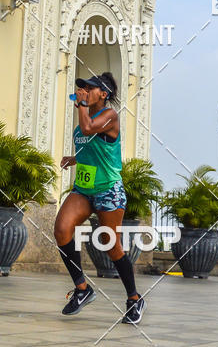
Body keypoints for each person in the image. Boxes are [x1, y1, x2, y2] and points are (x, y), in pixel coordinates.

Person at [53, 72, 146, 324]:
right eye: (81, 88)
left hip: (108, 189)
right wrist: (75, 158)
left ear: (102, 94)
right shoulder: (86, 116)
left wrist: (82, 105)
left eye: (89, 88)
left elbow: (88, 128)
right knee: (62, 229)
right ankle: (82, 289)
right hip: (84, 188)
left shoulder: (109, 116)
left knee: (109, 242)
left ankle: (134, 299)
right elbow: (91, 144)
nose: (83, 91)